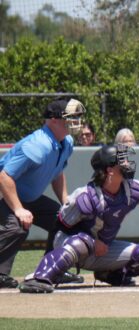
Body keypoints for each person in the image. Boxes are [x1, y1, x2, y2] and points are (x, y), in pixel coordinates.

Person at [18, 145, 139, 293]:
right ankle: (39, 277)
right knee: (81, 242)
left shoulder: (133, 188)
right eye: (120, 161)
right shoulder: (86, 196)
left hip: (101, 249)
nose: (127, 164)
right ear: (109, 170)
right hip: (70, 244)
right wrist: (91, 241)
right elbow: (60, 226)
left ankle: (109, 274)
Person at [0, 98, 86, 289]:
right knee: (17, 227)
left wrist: (66, 202)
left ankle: (52, 269)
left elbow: (57, 173)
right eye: (70, 117)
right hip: (5, 194)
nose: (76, 122)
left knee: (64, 220)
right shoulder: (38, 145)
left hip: (26, 197)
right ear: (53, 120)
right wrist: (18, 209)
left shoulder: (66, 142)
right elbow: (4, 177)